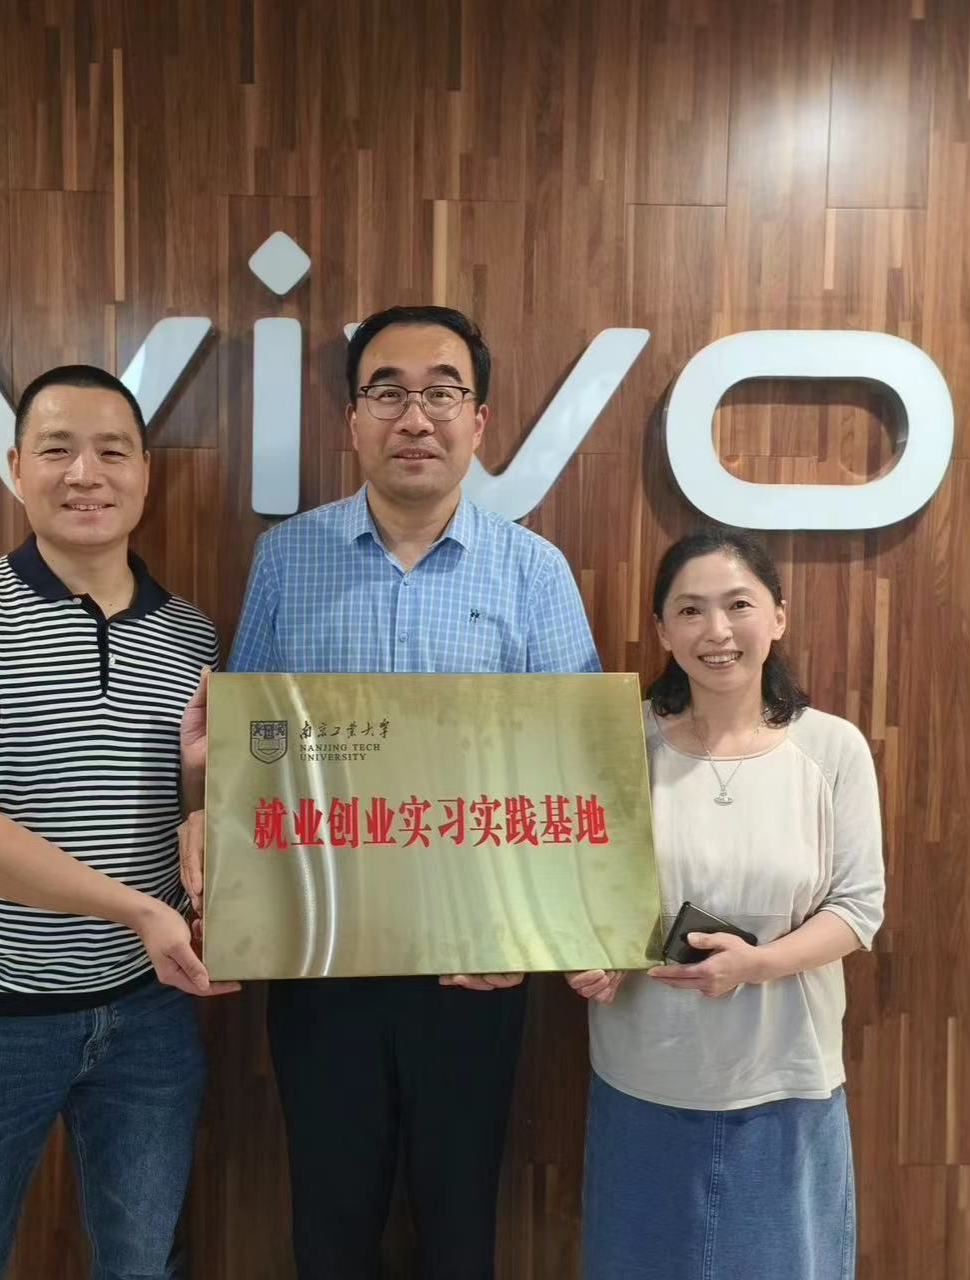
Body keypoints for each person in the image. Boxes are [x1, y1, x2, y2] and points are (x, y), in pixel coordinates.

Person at [181, 305, 601, 1279]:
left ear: (478, 421)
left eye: (442, 392)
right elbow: (252, 749)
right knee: (330, 1227)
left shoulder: (534, 572)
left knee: (459, 1230)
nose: (415, 416)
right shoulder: (287, 558)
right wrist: (204, 798)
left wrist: (525, 932)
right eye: (388, 392)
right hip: (320, 956)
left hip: (475, 963)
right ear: (352, 419)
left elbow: (579, 767)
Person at [0, 364, 237, 1280]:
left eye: (112, 451)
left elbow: (185, 808)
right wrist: (140, 911)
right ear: (15, 468)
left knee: (143, 1262)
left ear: (146, 474)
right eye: (57, 449)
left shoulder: (191, 634)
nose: (86, 474)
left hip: (149, 1012)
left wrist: (201, 797)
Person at [566, 528, 885, 1279]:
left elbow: (857, 908)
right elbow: (579, 886)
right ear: (662, 631)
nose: (717, 630)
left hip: (784, 1080)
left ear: (777, 616)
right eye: (690, 610)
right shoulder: (620, 743)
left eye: (739, 604)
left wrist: (756, 965)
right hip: (643, 1076)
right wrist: (592, 955)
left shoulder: (832, 749)